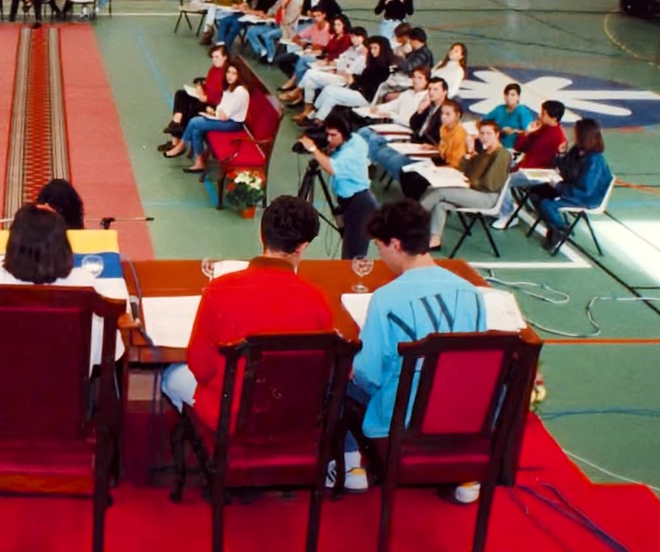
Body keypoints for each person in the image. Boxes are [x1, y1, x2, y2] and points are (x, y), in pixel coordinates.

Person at [345, 199, 488, 500]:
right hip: (459, 421)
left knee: (343, 381)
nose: (380, 256)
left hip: (400, 426)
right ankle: (461, 473)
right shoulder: (472, 293)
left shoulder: (386, 299)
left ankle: (348, 464)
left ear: (395, 244)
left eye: (380, 247)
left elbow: (367, 376)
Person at [159, 195, 335, 428]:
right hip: (290, 420)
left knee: (170, 375)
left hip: (231, 418)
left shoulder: (219, 289)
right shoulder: (317, 298)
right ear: (303, 246)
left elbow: (200, 367)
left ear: (261, 234)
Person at [420, 118, 512, 248]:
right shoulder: (484, 153)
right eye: (482, 133)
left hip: (486, 197)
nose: (484, 137)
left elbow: (491, 184)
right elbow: (463, 170)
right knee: (440, 203)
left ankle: (409, 220)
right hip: (474, 191)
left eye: (489, 133)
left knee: (440, 192)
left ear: (497, 135)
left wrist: (469, 183)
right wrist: (469, 153)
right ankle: (435, 240)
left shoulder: (502, 155)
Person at [297, 114, 376, 259]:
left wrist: (314, 150)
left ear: (344, 132)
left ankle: (352, 278)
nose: (329, 139)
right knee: (349, 246)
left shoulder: (352, 151)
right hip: (349, 201)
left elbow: (332, 168)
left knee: (353, 253)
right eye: (327, 134)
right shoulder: (354, 140)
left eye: (333, 135)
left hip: (360, 204)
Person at [528, 118, 612, 251]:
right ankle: (555, 225)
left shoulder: (594, 161)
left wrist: (558, 187)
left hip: (584, 197)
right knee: (535, 192)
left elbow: (585, 190)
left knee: (547, 204)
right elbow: (565, 169)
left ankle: (560, 229)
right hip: (569, 188)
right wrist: (561, 154)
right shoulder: (577, 150)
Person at [491, 99, 567, 228]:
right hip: (527, 168)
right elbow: (519, 147)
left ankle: (508, 214)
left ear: (553, 118)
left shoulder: (558, 137)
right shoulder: (542, 128)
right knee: (495, 167)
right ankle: (499, 206)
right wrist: (527, 132)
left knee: (503, 180)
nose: (539, 115)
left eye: (543, 113)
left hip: (539, 173)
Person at [164, 61, 249, 172]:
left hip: (233, 124)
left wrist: (217, 112)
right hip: (224, 118)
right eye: (228, 72)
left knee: (195, 122)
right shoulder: (229, 87)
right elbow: (222, 106)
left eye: (234, 73)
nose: (230, 75)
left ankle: (181, 146)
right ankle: (199, 162)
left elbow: (225, 116)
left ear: (239, 76)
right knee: (196, 129)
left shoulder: (240, 92)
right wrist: (214, 111)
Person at [483, 82, 537, 149]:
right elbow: (484, 121)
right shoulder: (499, 109)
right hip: (495, 143)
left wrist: (514, 131)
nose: (509, 97)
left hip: (513, 147)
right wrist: (498, 129)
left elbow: (529, 132)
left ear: (518, 97)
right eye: (507, 94)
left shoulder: (523, 112)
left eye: (513, 95)